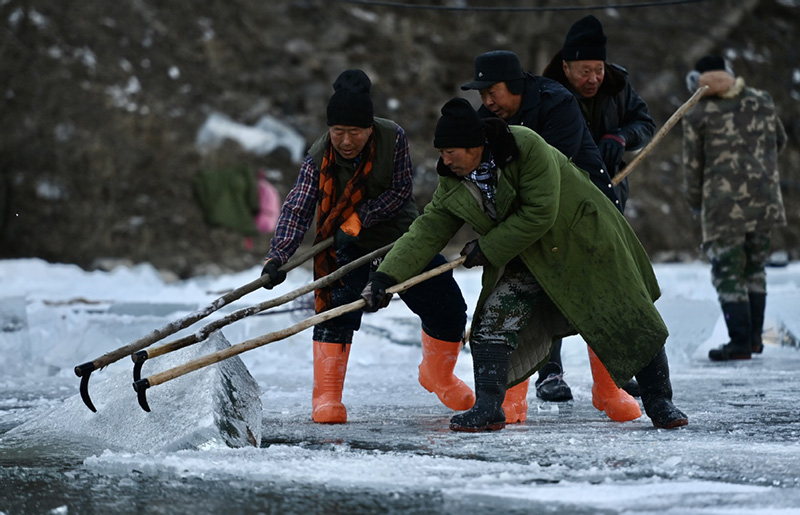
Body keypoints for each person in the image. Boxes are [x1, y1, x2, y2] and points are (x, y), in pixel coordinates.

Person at [361, 97, 689, 432]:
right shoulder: (454, 182)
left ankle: (659, 399)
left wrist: (487, 249)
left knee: (626, 315)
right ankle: (489, 407)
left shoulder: (525, 147)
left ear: (476, 145)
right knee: (492, 322)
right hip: (526, 257)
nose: (444, 160)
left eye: (451, 152)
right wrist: (387, 275)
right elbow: (426, 231)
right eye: (441, 152)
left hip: (581, 244)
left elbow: (539, 213)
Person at [262, 70, 474, 424]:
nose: (346, 141)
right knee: (338, 306)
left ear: (369, 129)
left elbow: (400, 190)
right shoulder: (319, 157)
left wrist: (361, 217)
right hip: (346, 244)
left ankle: (438, 375)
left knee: (447, 305)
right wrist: (277, 257)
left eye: (355, 132)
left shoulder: (393, 137)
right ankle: (327, 396)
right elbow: (298, 207)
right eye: (338, 132)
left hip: (401, 236)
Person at [460, 50, 640, 423]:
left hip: (582, 219)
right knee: (516, 306)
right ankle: (512, 400)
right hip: (528, 225)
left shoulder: (557, 102)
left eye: (493, 92)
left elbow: (547, 174)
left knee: (601, 306)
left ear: (515, 85)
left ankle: (610, 390)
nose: (487, 101)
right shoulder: (487, 119)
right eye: (482, 94)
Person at [540, 14, 656, 407]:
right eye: (585, 70)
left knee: (609, 285)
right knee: (552, 284)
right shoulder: (547, 91)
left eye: (599, 70)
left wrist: (621, 136)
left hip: (609, 197)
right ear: (566, 66)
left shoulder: (619, 85)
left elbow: (645, 121)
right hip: (559, 202)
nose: (593, 78)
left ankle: (613, 374)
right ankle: (549, 371)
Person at [681, 55, 787, 362]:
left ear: (698, 80)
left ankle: (739, 342)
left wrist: (696, 203)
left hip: (722, 206)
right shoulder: (761, 100)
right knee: (755, 269)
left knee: (728, 272)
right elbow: (779, 139)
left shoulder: (697, 111)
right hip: (764, 201)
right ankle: (754, 340)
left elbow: (692, 167)